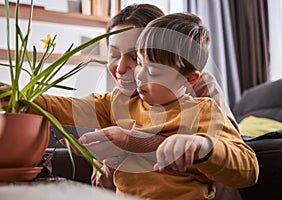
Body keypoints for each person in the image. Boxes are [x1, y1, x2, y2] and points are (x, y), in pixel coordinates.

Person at [78, 12, 258, 199]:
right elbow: (107, 183)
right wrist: (110, 165)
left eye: (134, 57)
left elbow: (226, 160)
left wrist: (132, 144)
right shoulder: (119, 102)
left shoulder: (200, 87)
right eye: (114, 54)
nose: (120, 68)